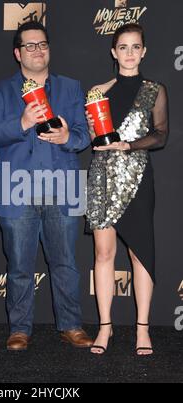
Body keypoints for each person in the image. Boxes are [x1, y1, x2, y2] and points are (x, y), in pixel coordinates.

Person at [0, 21, 92, 351]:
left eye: (42, 44)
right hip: (14, 189)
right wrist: (23, 122)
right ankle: (19, 329)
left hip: (63, 186)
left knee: (66, 263)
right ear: (18, 53)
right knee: (18, 266)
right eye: (29, 45)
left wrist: (67, 137)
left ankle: (71, 325)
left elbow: (84, 134)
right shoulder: (0, 90)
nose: (37, 50)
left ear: (49, 49)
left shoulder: (71, 88)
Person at [85, 23, 168, 355]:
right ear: (113, 51)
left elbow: (161, 135)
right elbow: (91, 136)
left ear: (144, 51)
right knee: (104, 253)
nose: (129, 53)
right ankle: (105, 327)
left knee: (139, 254)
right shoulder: (98, 91)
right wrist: (93, 130)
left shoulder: (154, 89)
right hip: (102, 177)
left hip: (137, 179)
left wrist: (128, 145)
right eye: (123, 47)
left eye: (135, 47)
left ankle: (142, 329)